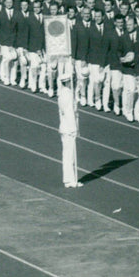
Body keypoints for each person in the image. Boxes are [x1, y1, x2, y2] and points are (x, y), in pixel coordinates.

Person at [56, 57, 82, 188]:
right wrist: (74, 129)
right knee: (69, 155)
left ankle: (69, 179)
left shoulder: (63, 93)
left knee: (67, 154)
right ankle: (70, 180)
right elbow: (69, 113)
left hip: (64, 127)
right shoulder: (67, 95)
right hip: (68, 128)